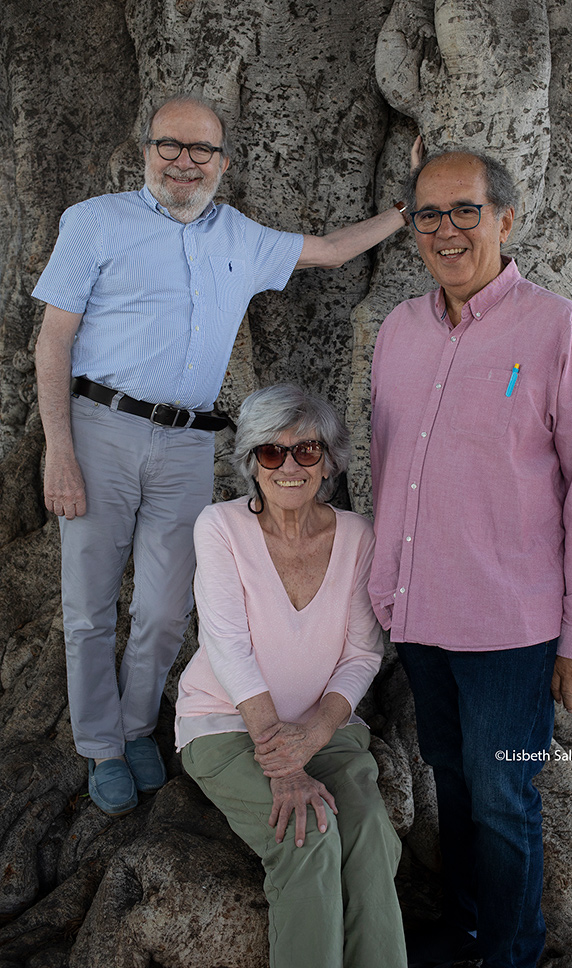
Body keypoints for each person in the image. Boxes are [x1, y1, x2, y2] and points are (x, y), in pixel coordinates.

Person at [32, 93, 413, 816]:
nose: (183, 161)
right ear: (144, 150)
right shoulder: (93, 223)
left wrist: (405, 207)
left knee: (166, 611)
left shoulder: (240, 235)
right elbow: (53, 341)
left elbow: (330, 251)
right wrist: (59, 451)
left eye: (200, 150)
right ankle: (100, 748)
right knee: (88, 609)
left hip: (186, 442)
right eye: (169, 146)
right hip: (98, 429)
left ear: (223, 163)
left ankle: (139, 728)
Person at [369, 148, 572, 968]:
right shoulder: (398, 330)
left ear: (505, 219)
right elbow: (387, 468)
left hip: (512, 631)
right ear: (412, 229)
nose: (446, 231)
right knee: (447, 778)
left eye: (465, 211)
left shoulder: (558, 329)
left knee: (505, 798)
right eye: (428, 215)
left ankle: (512, 951)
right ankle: (466, 927)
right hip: (417, 617)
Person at [175, 383, 407, 968]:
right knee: (308, 839)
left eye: (305, 451)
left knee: (372, 839)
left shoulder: (358, 536)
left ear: (327, 461)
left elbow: (361, 652)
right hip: (227, 727)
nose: (288, 466)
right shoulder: (219, 526)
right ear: (251, 462)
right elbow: (226, 646)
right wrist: (282, 762)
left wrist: (315, 736)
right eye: (270, 452)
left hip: (326, 730)